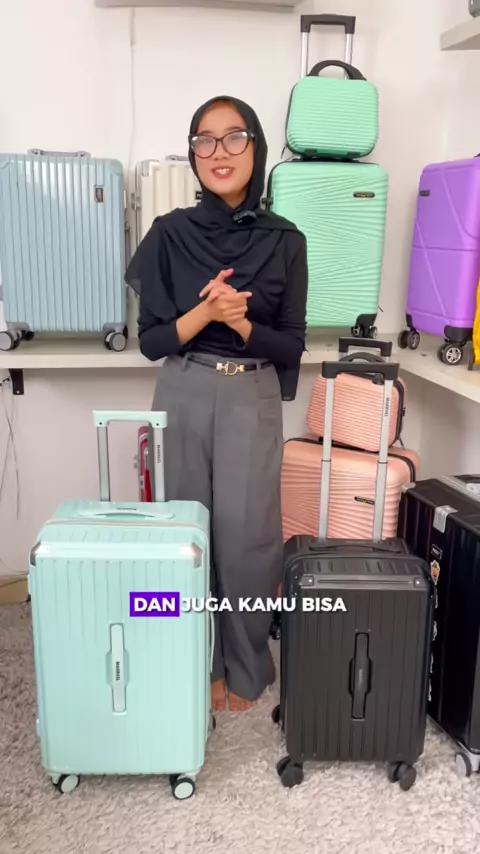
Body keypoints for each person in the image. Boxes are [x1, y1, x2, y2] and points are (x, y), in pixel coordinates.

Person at [125, 95, 308, 712]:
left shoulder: (286, 240)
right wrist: (206, 312)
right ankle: (196, 660)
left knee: (248, 536)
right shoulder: (169, 234)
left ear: (256, 147)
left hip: (251, 394)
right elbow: (152, 341)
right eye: (204, 140)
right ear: (193, 153)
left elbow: (291, 344)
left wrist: (243, 321)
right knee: (187, 531)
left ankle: (247, 666)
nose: (218, 152)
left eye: (234, 137)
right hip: (185, 386)